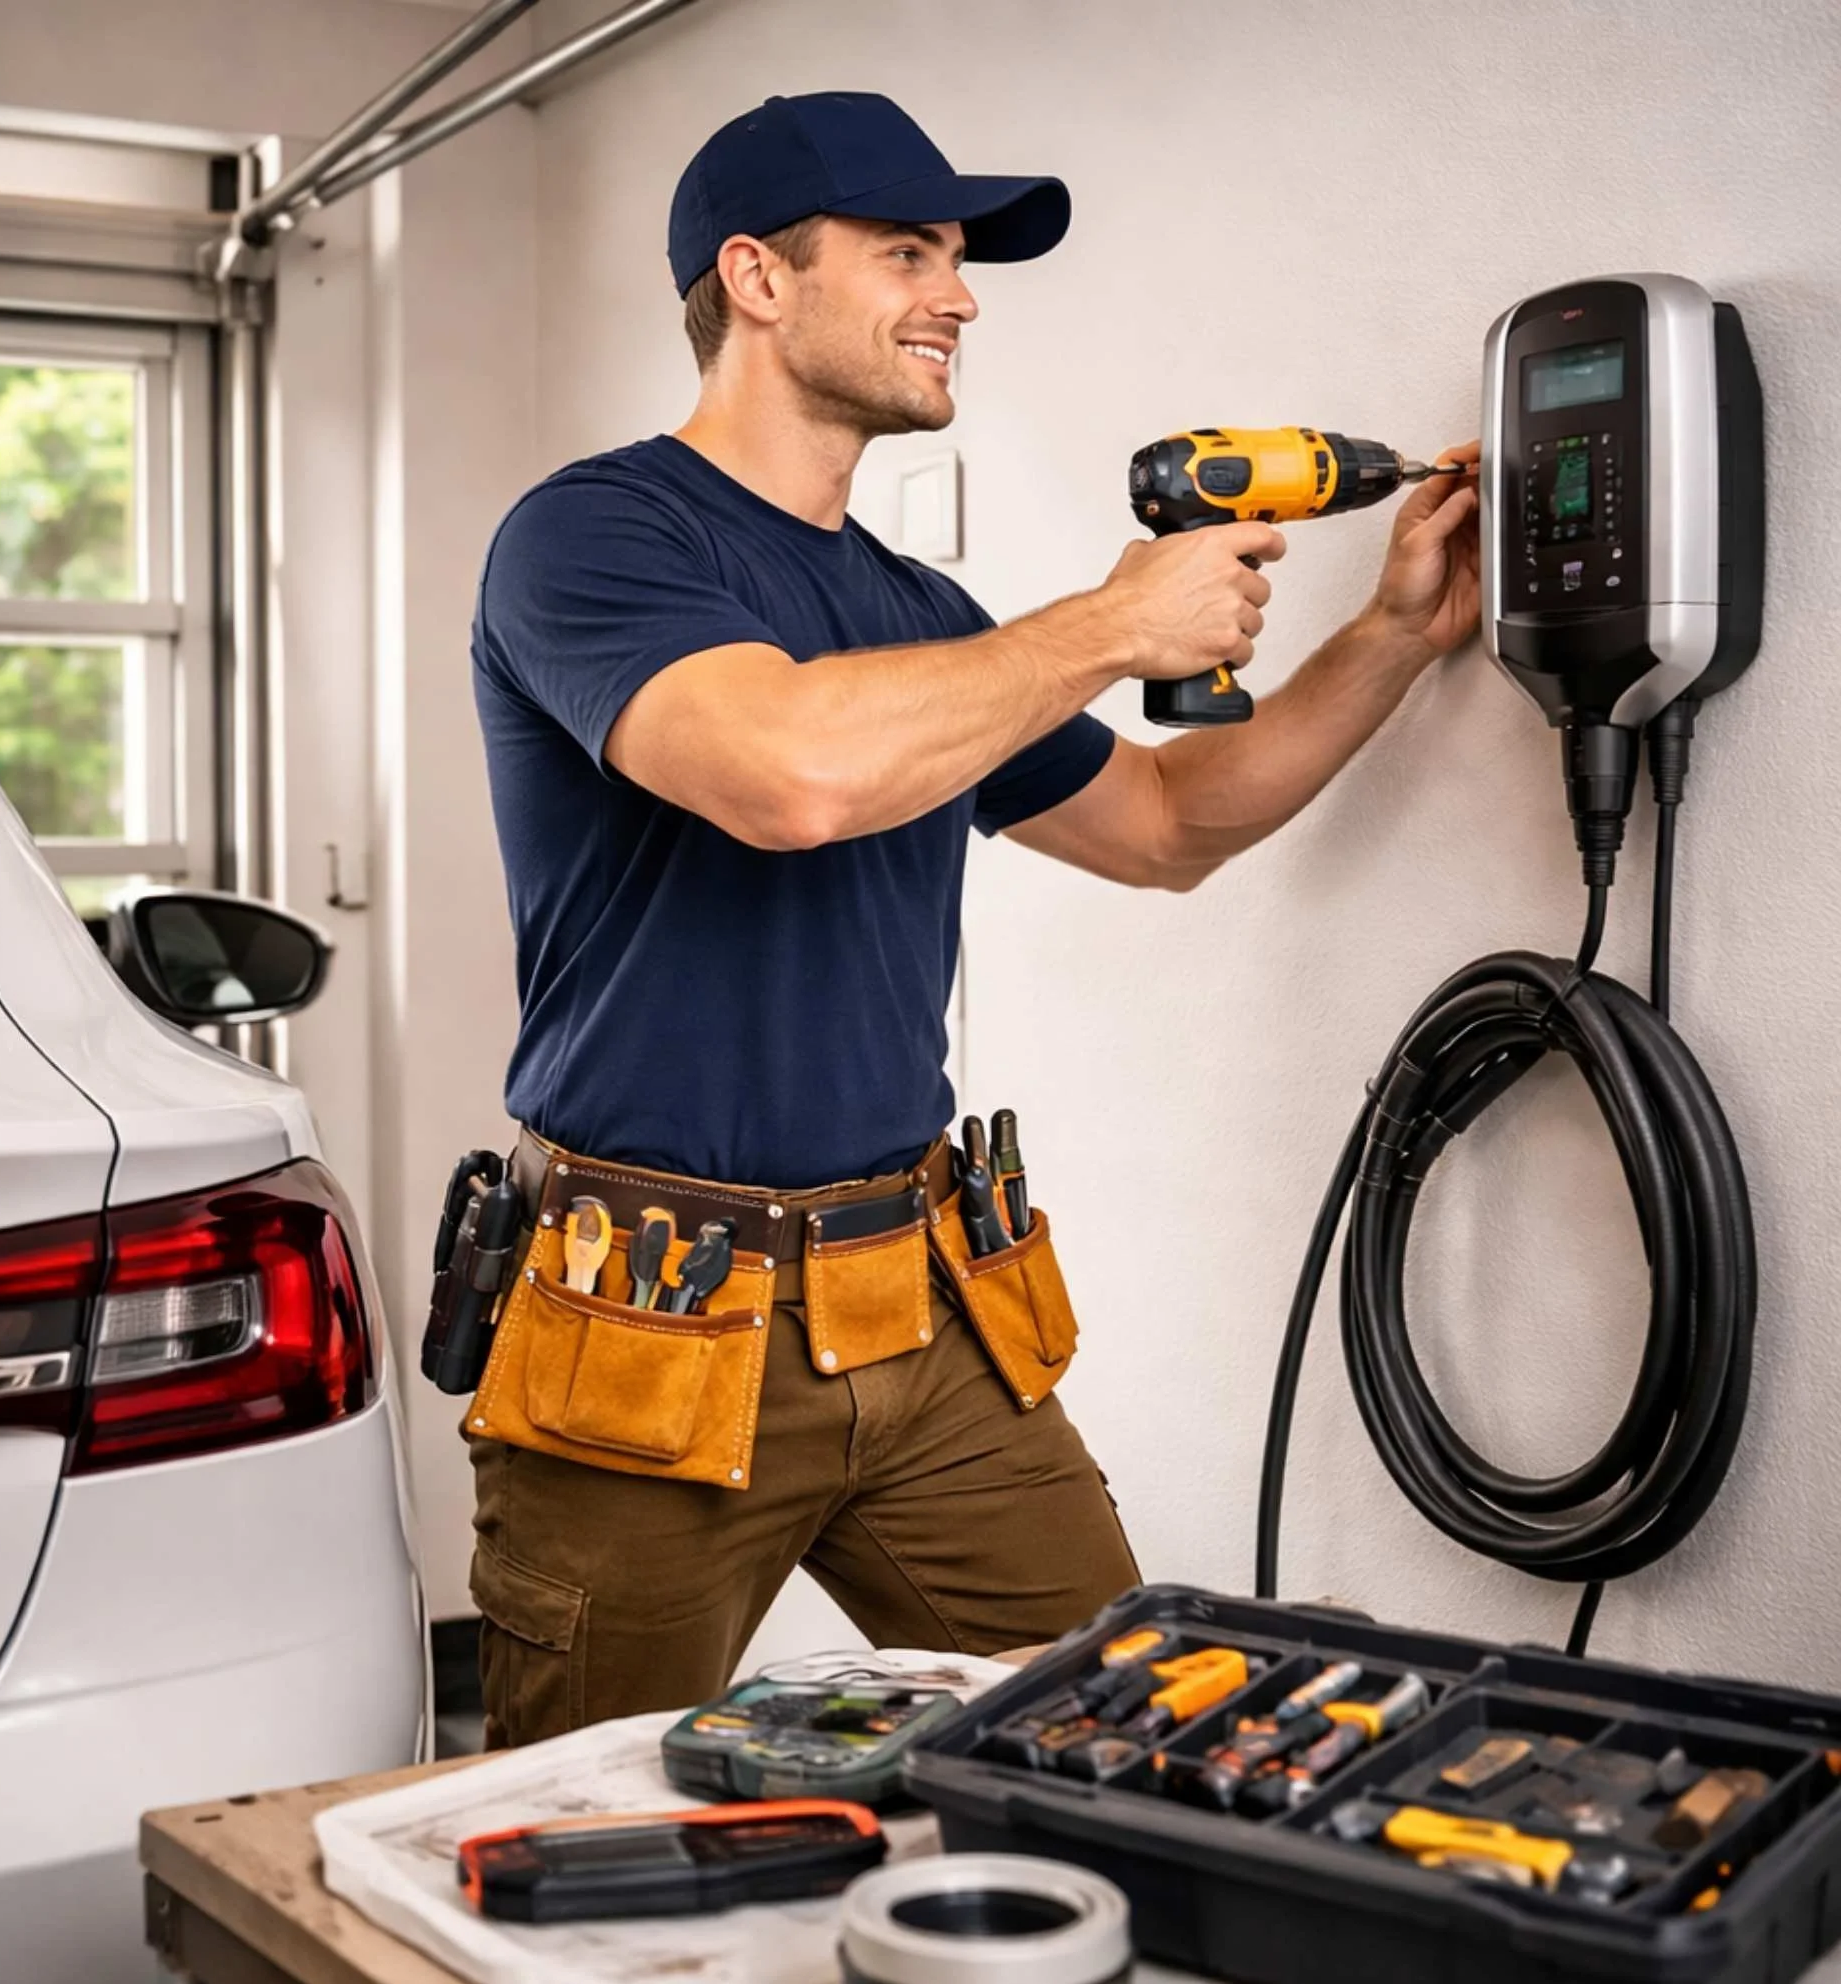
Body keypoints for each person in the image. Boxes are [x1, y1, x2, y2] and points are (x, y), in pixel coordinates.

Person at [467, 90, 1478, 1747]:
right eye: (910, 252)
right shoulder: (591, 536)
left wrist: (1390, 637)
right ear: (759, 278)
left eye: (958, 255)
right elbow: (788, 774)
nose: (962, 294)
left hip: (920, 1308)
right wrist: (1103, 625)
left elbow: (1162, 826)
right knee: (578, 1813)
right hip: (649, 1323)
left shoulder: (916, 611)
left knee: (1126, 1732)